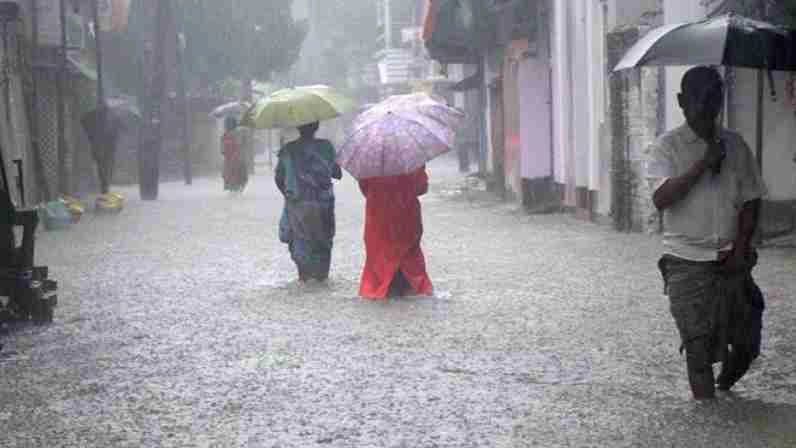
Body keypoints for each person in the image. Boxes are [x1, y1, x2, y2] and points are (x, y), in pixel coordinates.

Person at [647, 66, 767, 400]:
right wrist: (702, 163)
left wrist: (742, 247)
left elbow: (751, 199)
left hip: (733, 259)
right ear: (682, 101)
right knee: (698, 348)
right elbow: (661, 198)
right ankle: (707, 414)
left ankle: (723, 392)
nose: (708, 105)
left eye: (715, 97)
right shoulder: (666, 147)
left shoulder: (736, 145)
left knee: (746, 344)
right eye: (700, 97)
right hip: (685, 261)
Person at [275, 122, 342, 282]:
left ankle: (304, 277)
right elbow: (337, 173)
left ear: (298, 127)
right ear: (317, 126)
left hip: (298, 203)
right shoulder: (326, 147)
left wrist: (289, 194)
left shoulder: (288, 150)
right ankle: (321, 278)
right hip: (324, 203)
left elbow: (279, 178)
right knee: (324, 240)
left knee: (300, 241)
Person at [358, 166, 433, 299]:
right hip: (406, 211)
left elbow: (365, 188)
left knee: (380, 249)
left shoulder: (371, 161)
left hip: (378, 211)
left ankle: (383, 285)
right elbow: (421, 187)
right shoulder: (411, 159)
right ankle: (410, 285)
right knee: (408, 249)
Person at [221, 116, 249, 193]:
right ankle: (239, 189)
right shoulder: (240, 133)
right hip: (239, 159)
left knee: (231, 177)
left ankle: (233, 189)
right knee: (241, 176)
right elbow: (244, 145)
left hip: (229, 161)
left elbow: (222, 151)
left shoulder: (224, 135)